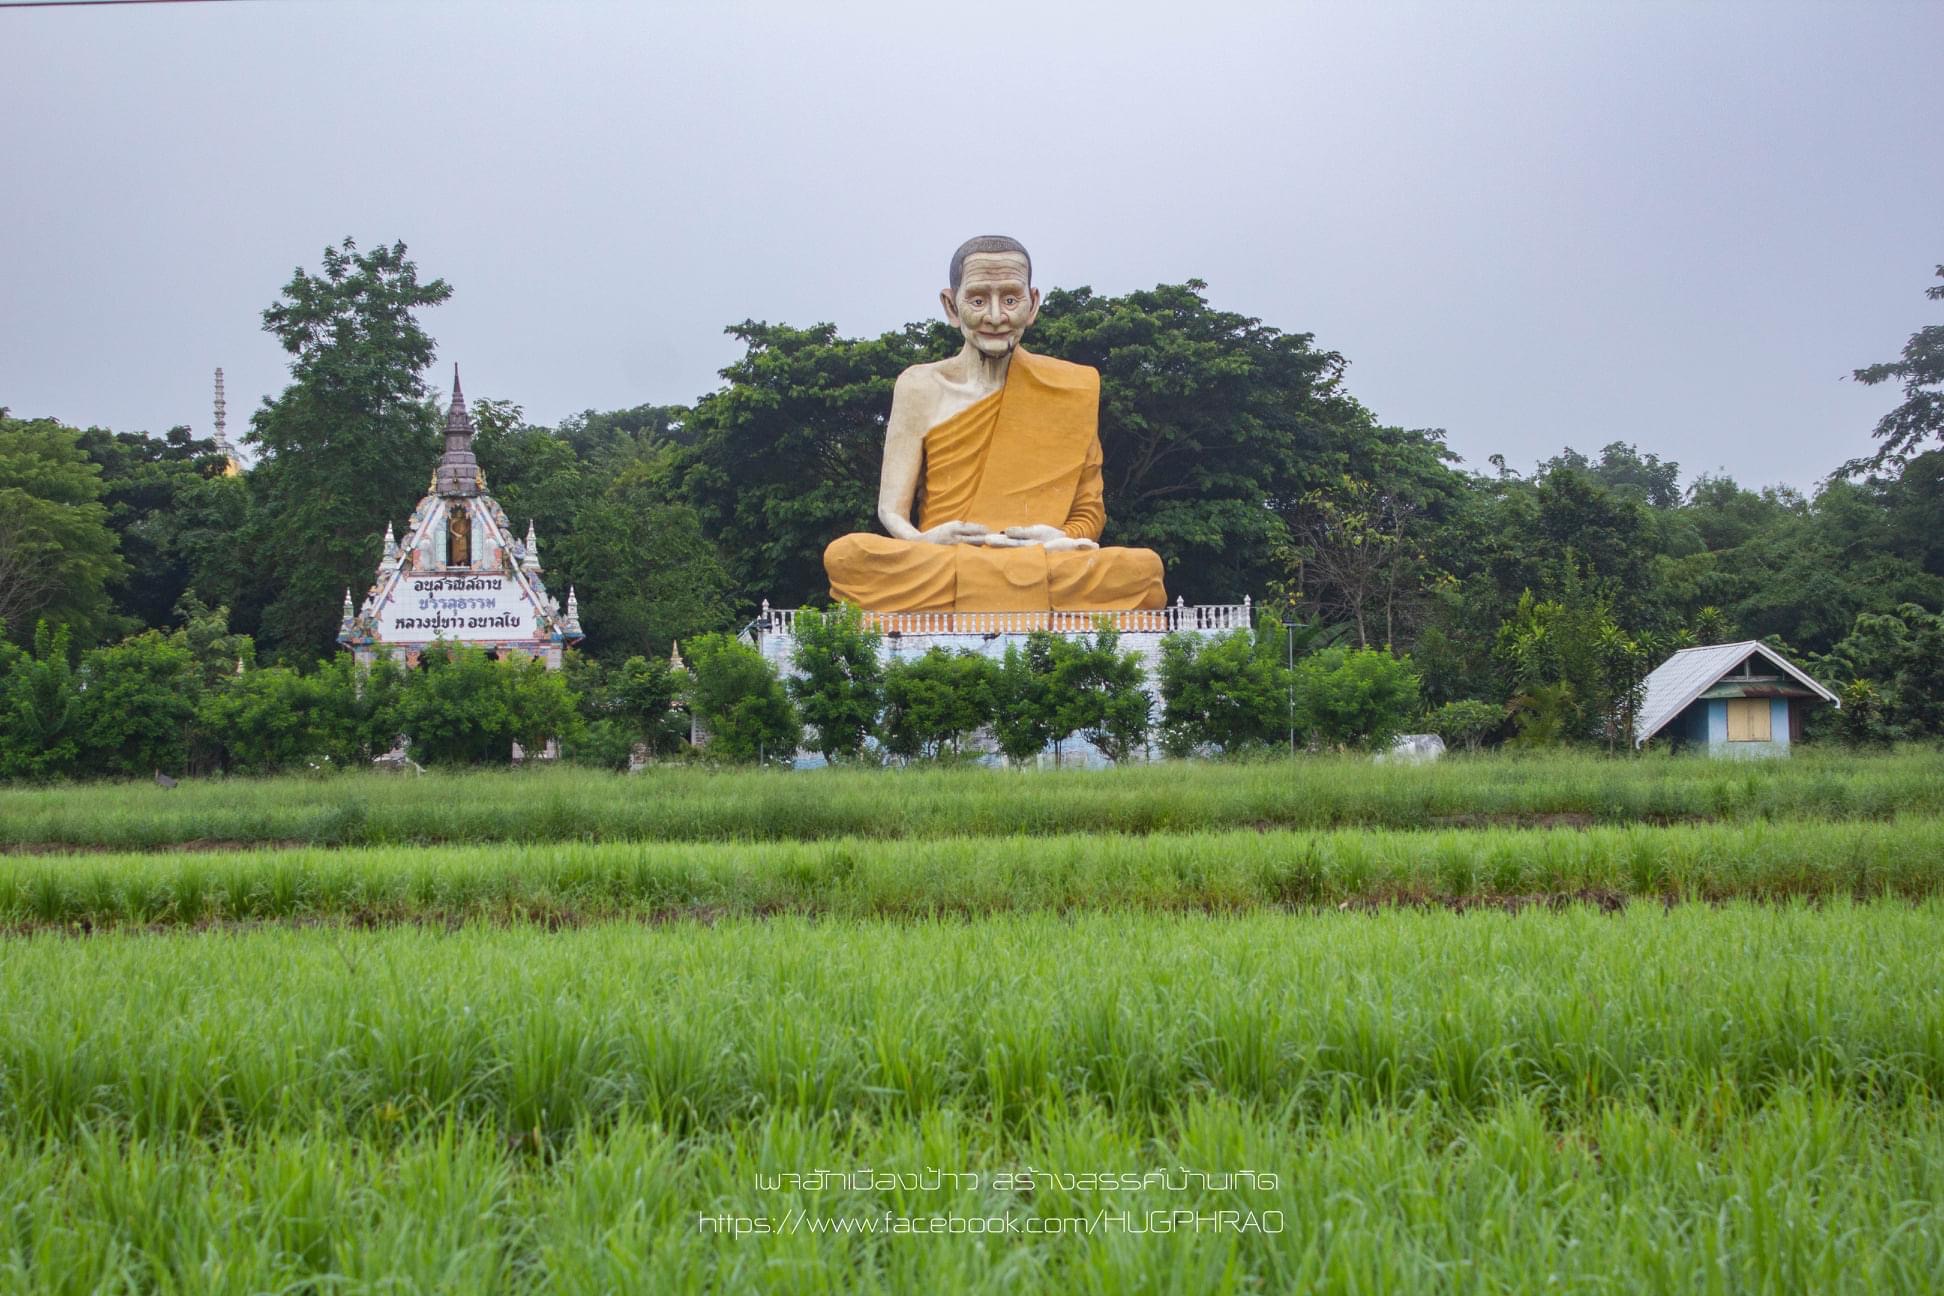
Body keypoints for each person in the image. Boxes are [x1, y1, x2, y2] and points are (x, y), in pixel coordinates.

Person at [823, 235, 1166, 612]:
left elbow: (1089, 512)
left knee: (1142, 569)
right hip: (943, 558)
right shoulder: (919, 386)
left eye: (1010, 299)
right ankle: (1016, 593)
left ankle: (988, 591)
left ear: (1032, 304)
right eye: (977, 299)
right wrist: (923, 542)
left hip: (1042, 557)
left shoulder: (1073, 386)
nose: (996, 317)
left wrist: (1060, 538)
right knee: (847, 555)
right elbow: (891, 511)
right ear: (951, 306)